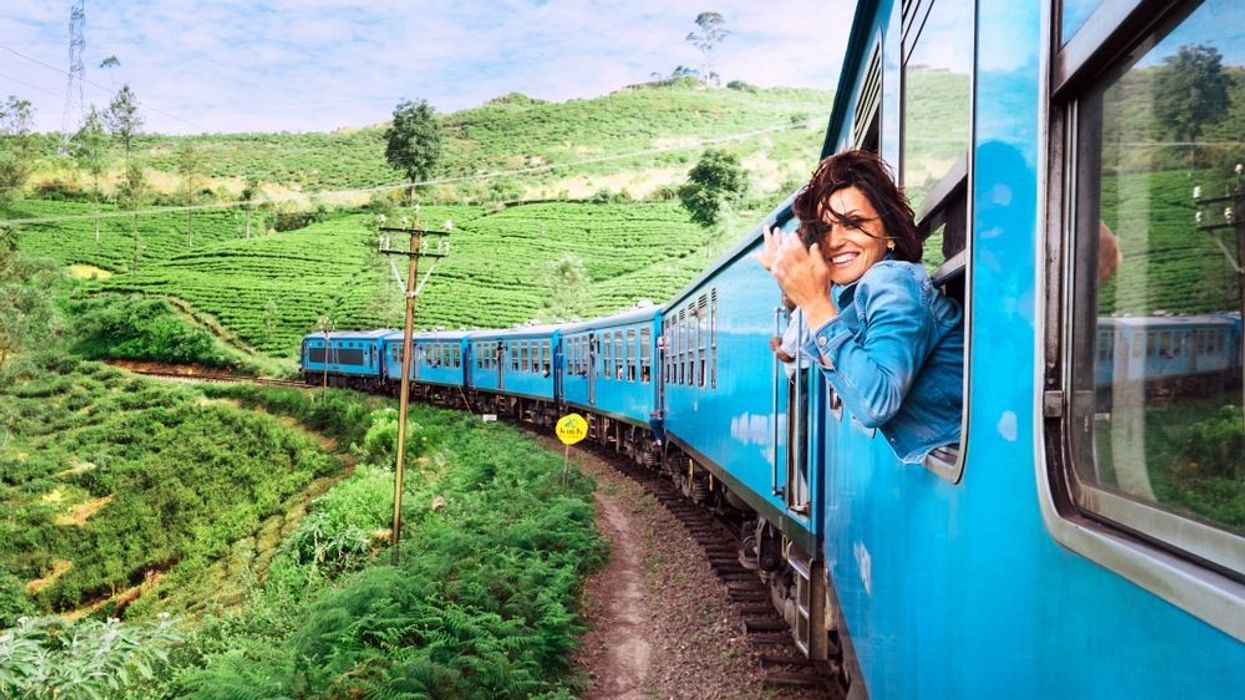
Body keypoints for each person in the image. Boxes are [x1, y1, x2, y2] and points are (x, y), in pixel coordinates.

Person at [759, 150, 963, 464]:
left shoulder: (890, 281)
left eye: (853, 223)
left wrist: (814, 303)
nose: (835, 242)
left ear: (890, 233)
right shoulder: (863, 291)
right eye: (825, 229)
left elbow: (875, 403)